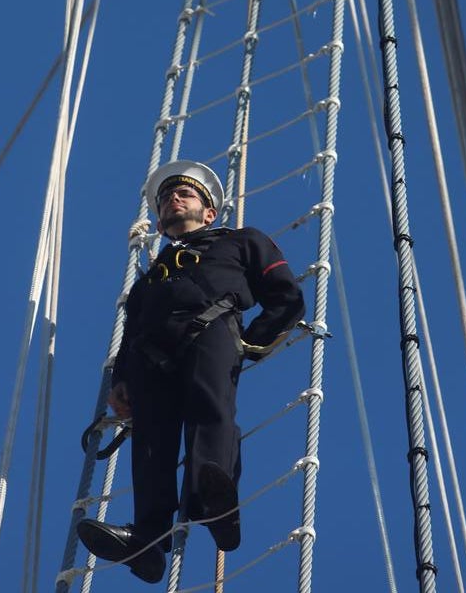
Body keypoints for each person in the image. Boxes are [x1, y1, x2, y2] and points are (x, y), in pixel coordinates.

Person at [77, 160, 305, 583]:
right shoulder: (145, 285)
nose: (173, 199)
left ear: (210, 212)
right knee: (150, 439)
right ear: (160, 221)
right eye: (165, 198)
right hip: (150, 357)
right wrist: (121, 380)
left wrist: (250, 341)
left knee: (210, 407)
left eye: (184, 194)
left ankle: (214, 499)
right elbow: (130, 335)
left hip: (212, 329)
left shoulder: (241, 242)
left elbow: (286, 298)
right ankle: (146, 542)